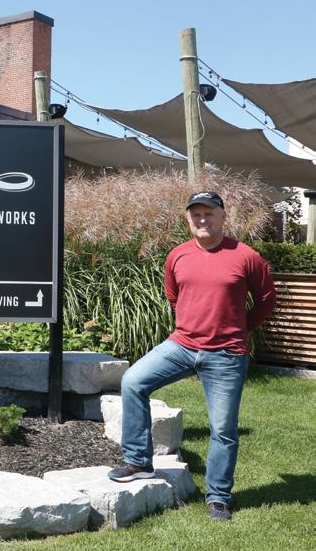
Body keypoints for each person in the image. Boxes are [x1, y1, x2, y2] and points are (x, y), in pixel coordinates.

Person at [107, 190, 276, 521]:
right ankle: (139, 462)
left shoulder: (246, 256)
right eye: (196, 214)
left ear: (223, 216)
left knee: (223, 430)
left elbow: (266, 299)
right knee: (133, 381)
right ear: (188, 219)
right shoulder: (178, 255)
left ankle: (218, 497)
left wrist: (240, 329)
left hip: (226, 354)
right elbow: (174, 296)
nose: (202, 219)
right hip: (182, 346)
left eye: (209, 213)